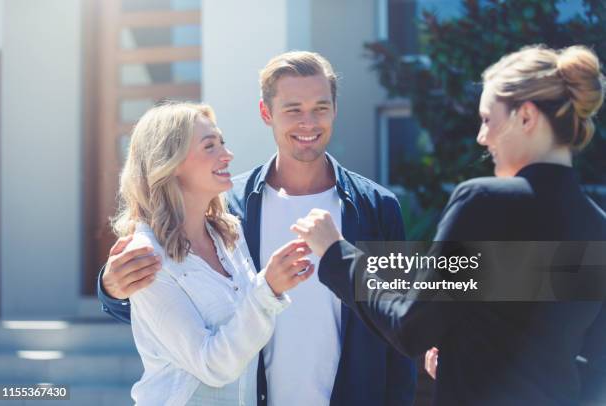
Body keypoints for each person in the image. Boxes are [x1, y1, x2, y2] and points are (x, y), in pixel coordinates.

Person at [292, 44, 606, 405]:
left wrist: (335, 252)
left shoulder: (485, 203)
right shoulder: (596, 225)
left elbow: (409, 327)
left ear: (526, 117)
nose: (481, 138)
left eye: (488, 119)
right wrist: (466, 355)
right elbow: (582, 358)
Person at [98, 51, 417, 406]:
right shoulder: (227, 207)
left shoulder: (377, 207)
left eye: (321, 108)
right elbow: (172, 303)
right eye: (293, 109)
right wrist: (111, 289)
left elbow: (395, 322)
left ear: (335, 111)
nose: (308, 122)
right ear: (267, 113)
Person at [112, 102, 314, 405]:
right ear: (171, 162)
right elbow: (212, 366)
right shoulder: (147, 258)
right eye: (210, 146)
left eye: (223, 142)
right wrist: (267, 288)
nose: (227, 154)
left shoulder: (228, 234)